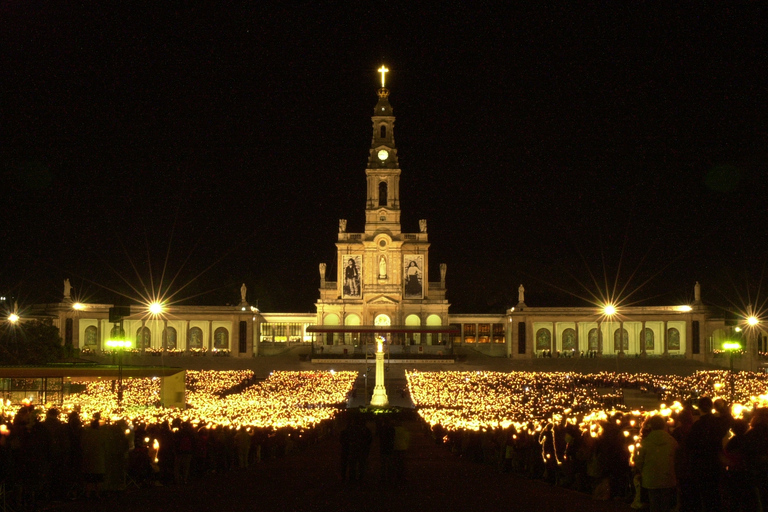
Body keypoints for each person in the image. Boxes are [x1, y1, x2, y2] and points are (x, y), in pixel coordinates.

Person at [634, 415, 678, 512]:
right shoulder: (672, 441)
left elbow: (638, 460)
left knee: (654, 504)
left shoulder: (645, 442)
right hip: (667, 476)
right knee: (666, 504)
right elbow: (676, 459)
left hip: (651, 478)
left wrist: (644, 471)